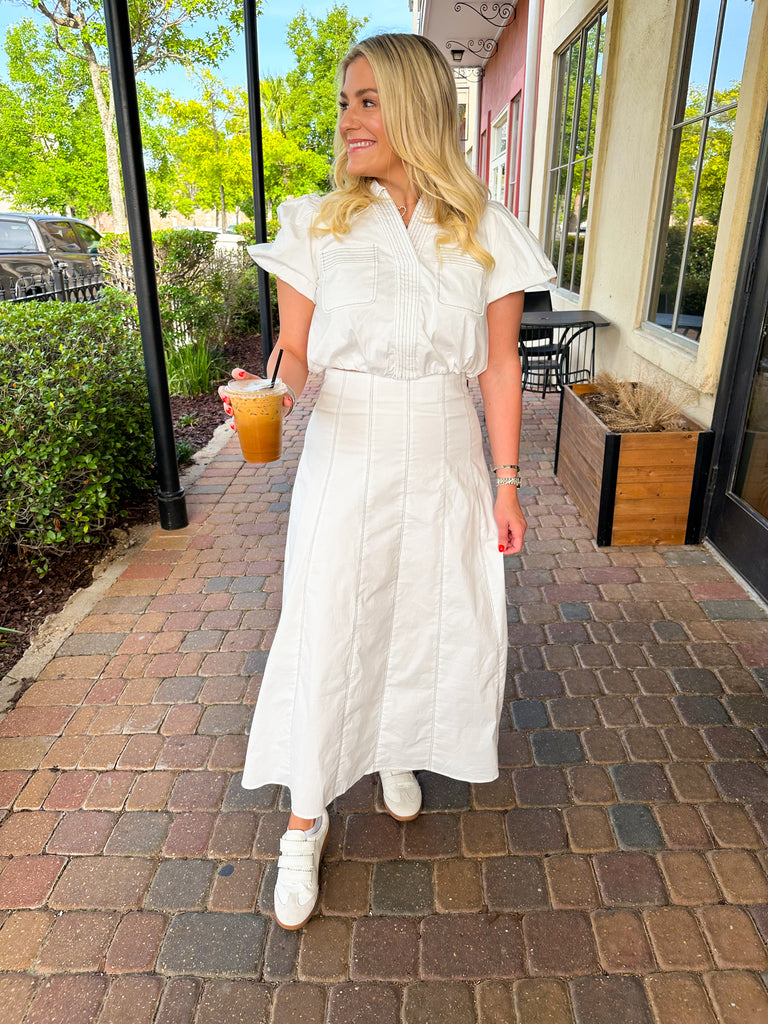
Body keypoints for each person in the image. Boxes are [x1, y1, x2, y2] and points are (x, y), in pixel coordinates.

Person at [220, 32, 555, 930]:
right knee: (330, 620)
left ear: (416, 108)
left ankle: (395, 743)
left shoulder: (483, 227)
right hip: (349, 445)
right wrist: (266, 391)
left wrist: (508, 482)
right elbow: (294, 358)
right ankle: (304, 817)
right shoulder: (317, 223)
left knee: (428, 613)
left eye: (368, 101)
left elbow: (498, 367)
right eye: (345, 103)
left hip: (445, 449)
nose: (349, 120)